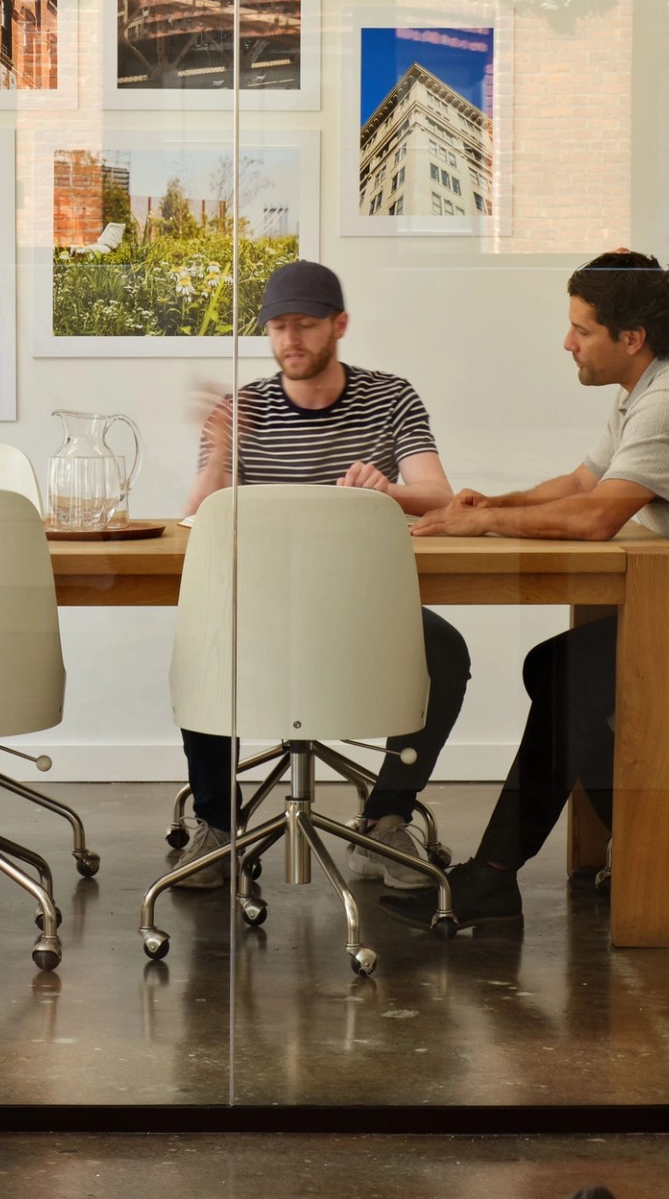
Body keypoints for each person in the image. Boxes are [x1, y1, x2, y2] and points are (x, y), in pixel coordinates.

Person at [400, 253, 669, 931]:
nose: (568, 343)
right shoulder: (648, 390)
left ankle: (495, 876)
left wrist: (484, 522)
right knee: (555, 668)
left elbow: (595, 518)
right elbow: (588, 482)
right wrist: (493, 501)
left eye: (580, 329)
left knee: (569, 676)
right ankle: (654, 842)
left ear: (631, 338)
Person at [173, 259, 467, 874]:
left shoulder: (391, 397)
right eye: (278, 328)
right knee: (203, 639)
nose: (291, 341)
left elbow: (441, 496)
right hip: (263, 609)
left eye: (305, 325)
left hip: (363, 608)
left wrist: (386, 489)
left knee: (443, 648)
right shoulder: (243, 407)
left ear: (340, 325)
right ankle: (218, 825)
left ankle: (387, 817)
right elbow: (197, 520)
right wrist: (221, 452)